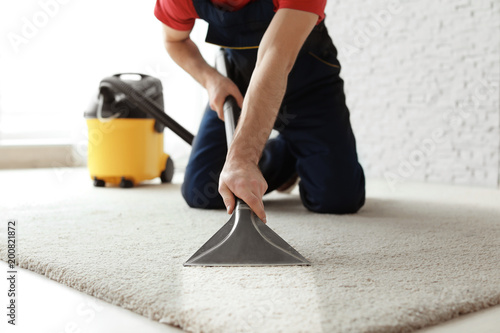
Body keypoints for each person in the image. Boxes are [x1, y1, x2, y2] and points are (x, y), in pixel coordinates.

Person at [154, 0, 365, 222]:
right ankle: (287, 156)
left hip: (309, 90)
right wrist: (211, 80)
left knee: (338, 200)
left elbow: (275, 57)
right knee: (201, 191)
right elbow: (174, 40)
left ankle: (302, 148)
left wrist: (243, 159)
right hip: (239, 90)